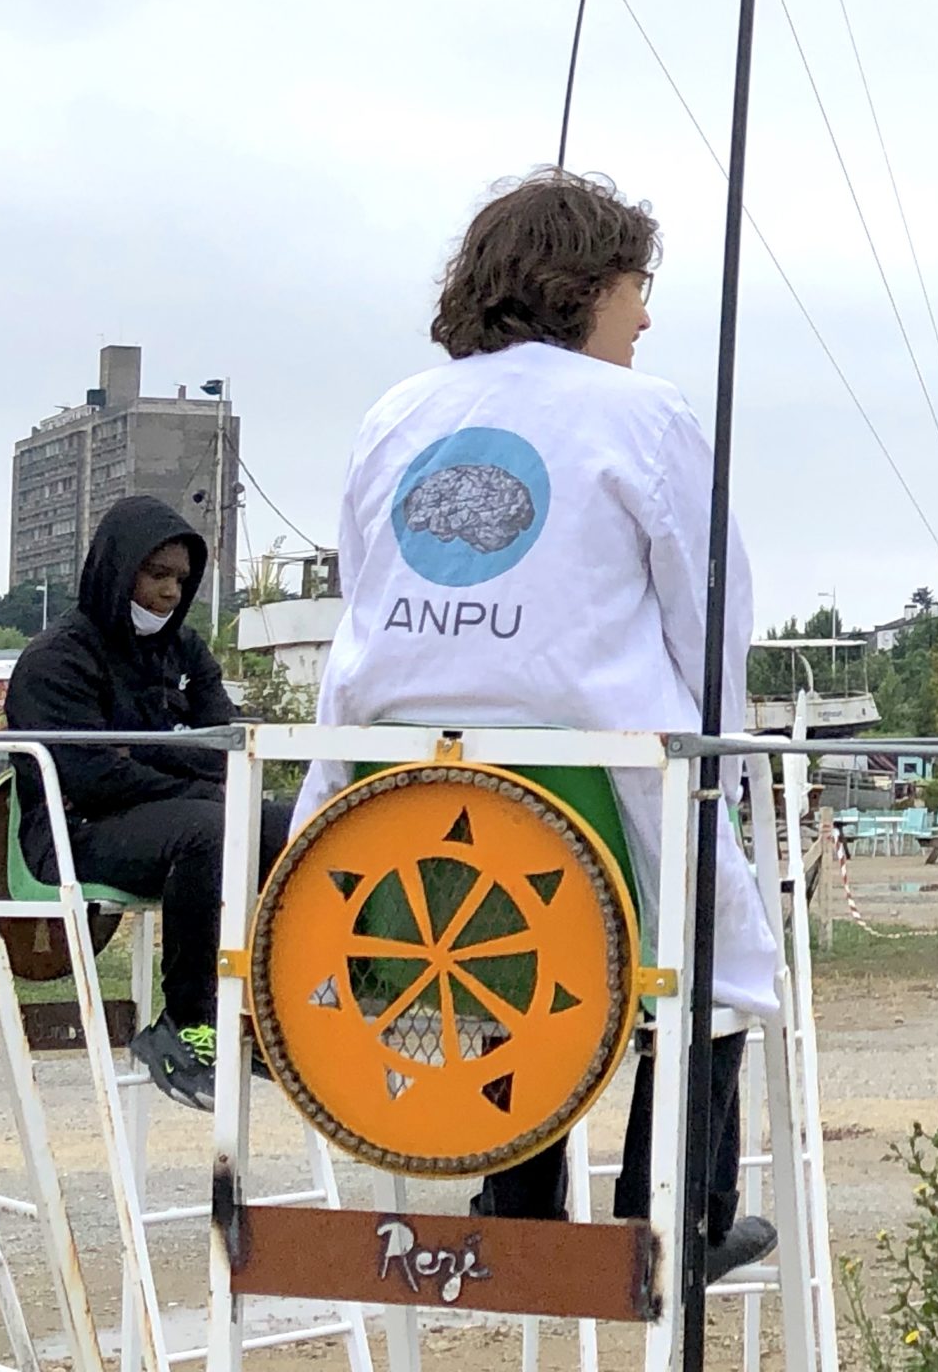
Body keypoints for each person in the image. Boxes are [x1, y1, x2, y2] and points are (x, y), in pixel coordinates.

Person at [295, 169, 777, 1277]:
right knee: (720, 947)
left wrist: (320, 801)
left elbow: (359, 608)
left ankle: (517, 1191)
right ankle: (676, 1217)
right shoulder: (646, 417)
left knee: (519, 947)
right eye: (636, 286)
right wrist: (730, 778)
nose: (647, 316)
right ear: (584, 284)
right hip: (593, 789)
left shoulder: (395, 413)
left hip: (397, 813)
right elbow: (712, 612)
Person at [7, 496, 283, 1110]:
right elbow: (93, 776)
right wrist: (184, 766)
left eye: (181, 580)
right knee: (211, 830)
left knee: (296, 823)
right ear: (117, 568)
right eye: (156, 575)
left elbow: (224, 747)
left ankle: (271, 1007)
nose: (168, 592)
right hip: (74, 832)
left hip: (165, 812)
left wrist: (157, 758)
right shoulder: (56, 659)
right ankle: (186, 1023)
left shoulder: (186, 653)